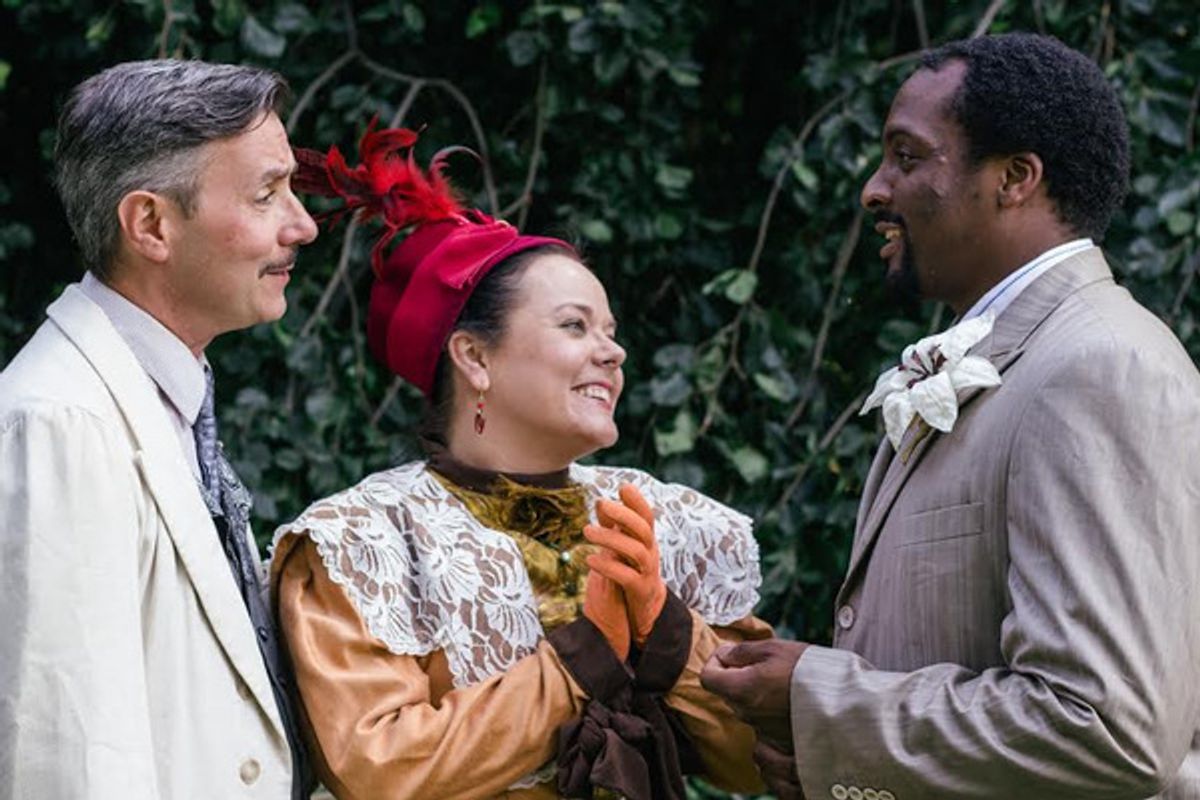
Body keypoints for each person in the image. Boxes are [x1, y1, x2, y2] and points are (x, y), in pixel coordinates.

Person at [701, 32, 1200, 799]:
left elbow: (1103, 727)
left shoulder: (1098, 366)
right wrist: (833, 766)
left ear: (1015, 179)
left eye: (906, 157)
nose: (873, 190)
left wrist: (817, 700)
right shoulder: (1014, 361)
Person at [270, 125, 769, 799]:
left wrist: (668, 629)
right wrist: (580, 661)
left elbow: (764, 757)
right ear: (474, 357)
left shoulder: (667, 521)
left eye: (611, 331)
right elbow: (380, 770)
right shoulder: (365, 542)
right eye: (574, 325)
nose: (613, 352)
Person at [0, 60, 319, 798]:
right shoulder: (58, 425)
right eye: (267, 194)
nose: (302, 224)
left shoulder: (157, 391)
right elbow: (69, 764)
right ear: (151, 225)